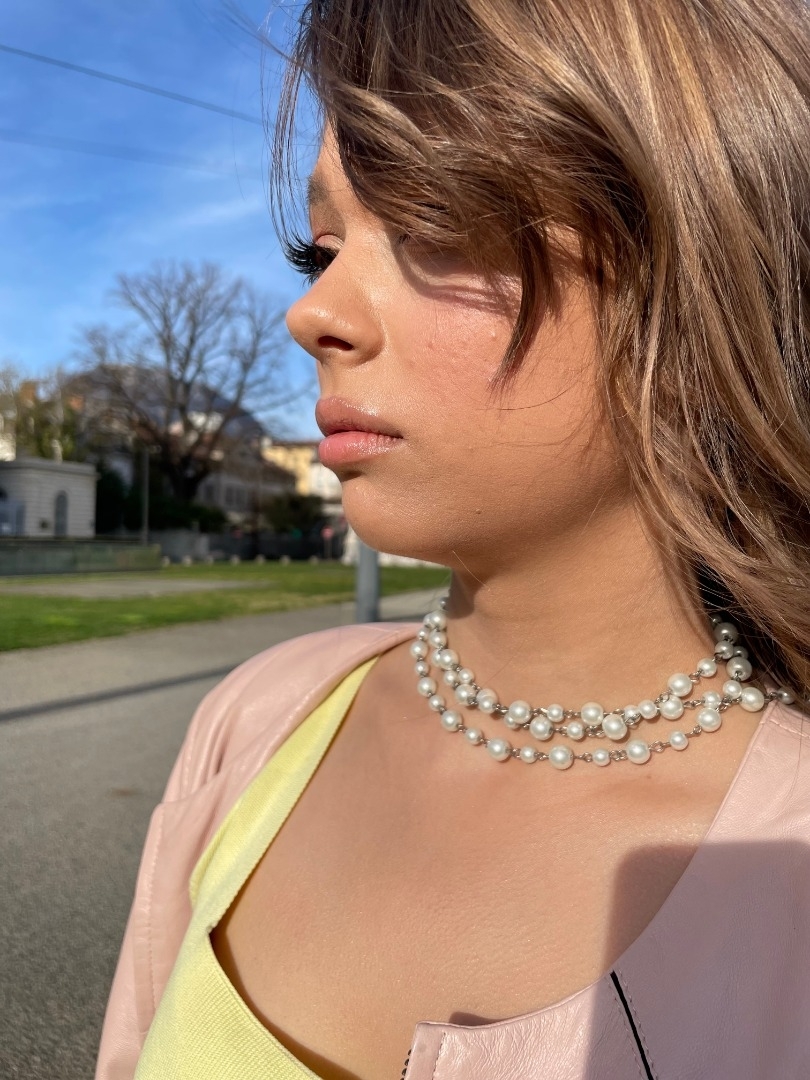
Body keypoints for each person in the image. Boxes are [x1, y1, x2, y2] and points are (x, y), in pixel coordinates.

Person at [96, 1, 810, 1077]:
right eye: (319, 249)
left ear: (704, 268)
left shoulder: (786, 863)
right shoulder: (257, 719)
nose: (312, 313)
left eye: (435, 223)